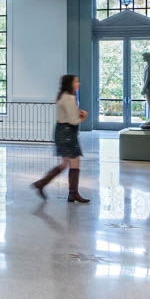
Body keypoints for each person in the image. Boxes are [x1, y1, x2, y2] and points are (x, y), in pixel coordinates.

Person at [32, 74, 89, 203]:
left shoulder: (63, 97)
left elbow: (69, 115)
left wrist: (77, 113)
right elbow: (73, 121)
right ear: (70, 84)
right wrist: (83, 116)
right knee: (74, 163)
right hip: (67, 134)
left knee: (65, 164)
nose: (78, 83)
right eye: (76, 81)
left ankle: (42, 184)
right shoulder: (69, 98)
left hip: (62, 132)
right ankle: (73, 194)